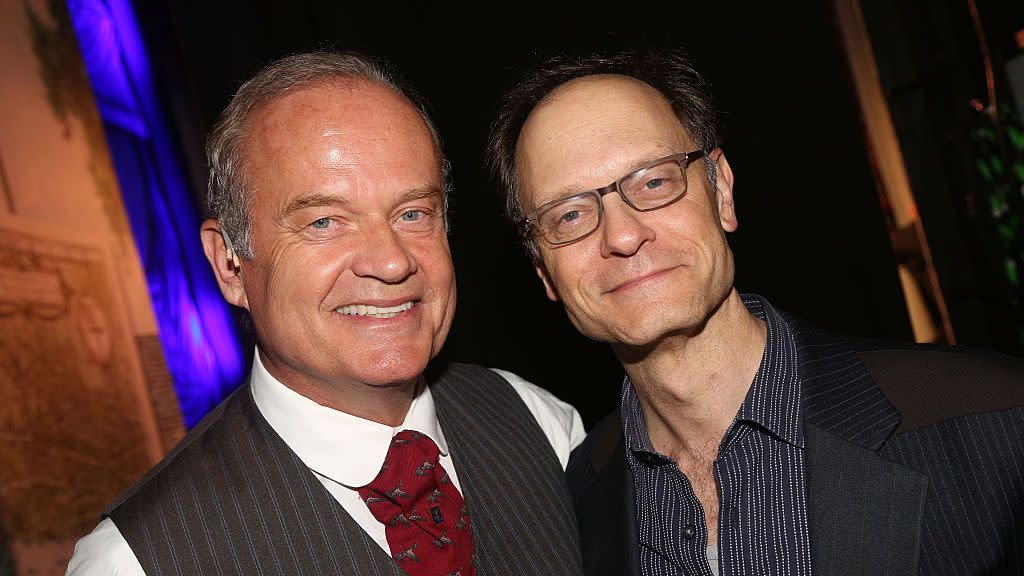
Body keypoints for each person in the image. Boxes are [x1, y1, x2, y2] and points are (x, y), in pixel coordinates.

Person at [486, 49, 1024, 576]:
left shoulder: (995, 423)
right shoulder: (573, 506)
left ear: (722, 191)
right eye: (570, 214)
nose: (623, 236)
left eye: (653, 181)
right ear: (543, 271)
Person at [67, 51, 585, 575]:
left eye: (412, 213)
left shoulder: (540, 424)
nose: (391, 260)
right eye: (324, 223)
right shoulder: (134, 562)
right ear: (230, 265)